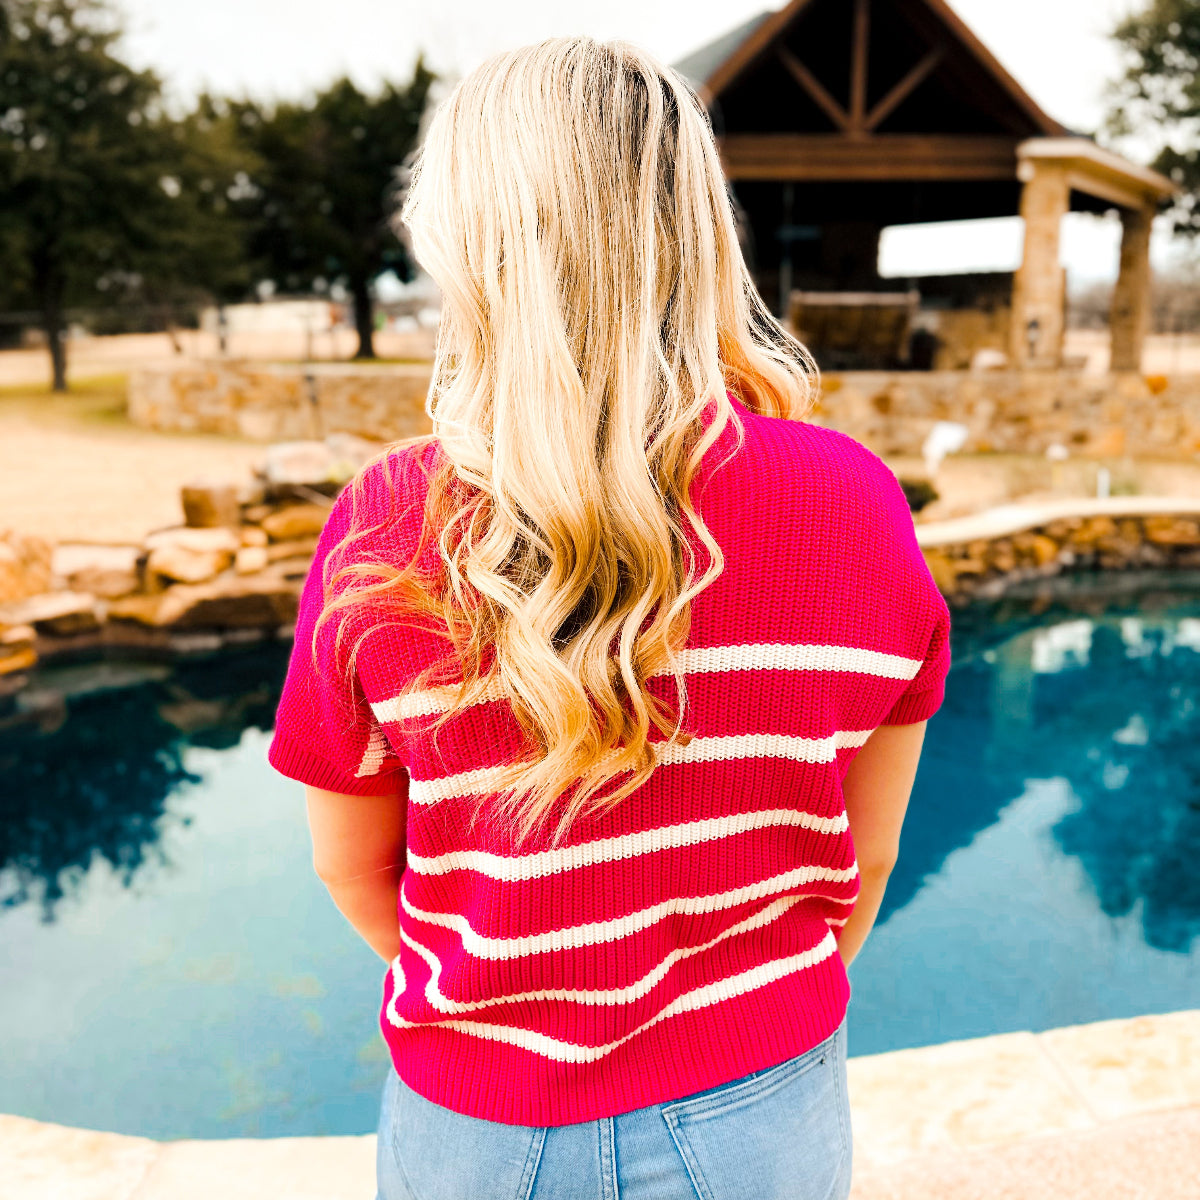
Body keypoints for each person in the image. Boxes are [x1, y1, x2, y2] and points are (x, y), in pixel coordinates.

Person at [268, 35, 951, 1200]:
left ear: (469, 246)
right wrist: (742, 1007)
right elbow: (869, 850)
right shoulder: (853, 500)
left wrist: (506, 1010)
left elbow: (352, 869)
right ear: (694, 229)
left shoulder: (386, 524)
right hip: (763, 1109)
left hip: (477, 1126)